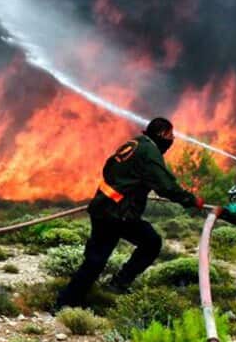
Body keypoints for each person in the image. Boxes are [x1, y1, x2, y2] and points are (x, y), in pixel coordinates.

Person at [55, 117, 203, 307]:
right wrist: (191, 200)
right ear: (162, 134)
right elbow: (165, 185)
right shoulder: (149, 151)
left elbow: (109, 168)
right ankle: (110, 286)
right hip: (117, 214)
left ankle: (71, 300)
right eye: (170, 136)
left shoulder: (134, 144)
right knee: (148, 243)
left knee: (97, 260)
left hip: (105, 208)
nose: (172, 140)